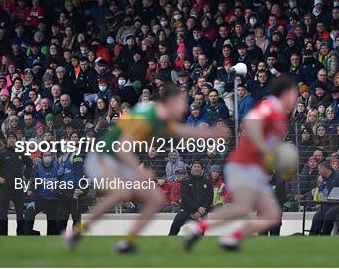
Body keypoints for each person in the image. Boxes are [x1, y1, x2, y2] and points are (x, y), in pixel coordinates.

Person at [64, 83, 228, 253]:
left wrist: (212, 133)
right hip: (103, 157)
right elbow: (121, 146)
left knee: (156, 199)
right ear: (171, 102)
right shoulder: (148, 116)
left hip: (119, 159)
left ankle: (126, 243)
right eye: (182, 102)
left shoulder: (160, 116)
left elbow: (182, 130)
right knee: (121, 192)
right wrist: (138, 170)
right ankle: (76, 233)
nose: (185, 106)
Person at [184, 75, 298, 251]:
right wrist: (266, 150)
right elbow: (250, 124)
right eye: (293, 93)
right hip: (244, 164)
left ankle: (226, 237)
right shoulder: (271, 108)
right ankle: (204, 230)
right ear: (285, 94)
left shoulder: (281, 118)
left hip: (256, 169)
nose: (296, 98)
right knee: (244, 208)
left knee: (272, 214)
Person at [0, 132, 33, 235]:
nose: (12, 140)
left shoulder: (21, 152)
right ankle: (3, 236)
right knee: (3, 214)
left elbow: (30, 164)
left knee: (20, 213)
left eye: (13, 138)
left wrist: (25, 175)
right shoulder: (1, 153)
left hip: (18, 187)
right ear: (7, 140)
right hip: (5, 188)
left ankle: (21, 235)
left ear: (16, 140)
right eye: (10, 138)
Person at [168, 161, 213, 235]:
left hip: (201, 213)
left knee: (200, 236)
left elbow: (209, 197)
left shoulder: (207, 181)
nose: (196, 168)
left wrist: (201, 211)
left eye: (198, 167)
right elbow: (184, 197)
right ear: (191, 168)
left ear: (202, 169)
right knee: (173, 229)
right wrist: (197, 208)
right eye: (195, 166)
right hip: (186, 211)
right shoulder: (185, 181)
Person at [309, 161, 339, 235]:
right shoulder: (324, 179)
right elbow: (323, 192)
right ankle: (313, 235)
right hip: (328, 203)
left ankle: (325, 235)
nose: (319, 172)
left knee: (328, 215)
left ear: (324, 169)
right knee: (317, 216)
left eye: (319, 170)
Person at [25, 152, 60, 235]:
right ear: (42, 157)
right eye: (45, 155)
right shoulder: (37, 167)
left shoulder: (57, 167)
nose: (47, 157)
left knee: (52, 227)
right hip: (39, 199)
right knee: (29, 211)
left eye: (49, 155)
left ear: (52, 156)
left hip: (53, 199)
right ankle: (30, 233)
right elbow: (32, 179)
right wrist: (30, 189)